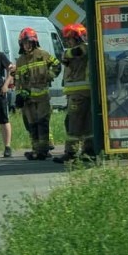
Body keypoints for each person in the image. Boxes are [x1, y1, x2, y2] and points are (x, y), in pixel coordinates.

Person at [13, 27, 61, 160]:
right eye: (24, 43)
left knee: (42, 123)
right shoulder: (20, 60)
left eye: (29, 42)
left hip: (42, 97)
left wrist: (49, 76)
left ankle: (44, 150)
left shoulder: (43, 54)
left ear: (34, 42)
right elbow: (18, 80)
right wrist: (19, 94)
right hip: (28, 100)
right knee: (32, 125)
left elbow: (57, 65)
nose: (27, 45)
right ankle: (36, 149)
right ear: (21, 44)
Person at [55, 23, 94, 163]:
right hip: (79, 94)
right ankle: (88, 152)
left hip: (80, 94)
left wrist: (64, 53)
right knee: (86, 125)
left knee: (74, 123)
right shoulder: (80, 49)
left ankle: (71, 153)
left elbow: (74, 53)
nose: (67, 42)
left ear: (78, 38)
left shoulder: (84, 48)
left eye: (69, 39)